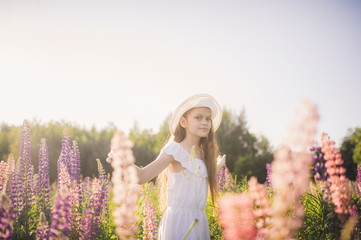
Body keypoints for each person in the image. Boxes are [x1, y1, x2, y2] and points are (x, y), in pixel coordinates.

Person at [108, 93, 226, 240]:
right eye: (198, 117)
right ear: (183, 122)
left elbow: (197, 183)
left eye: (208, 119)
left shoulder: (203, 154)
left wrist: (216, 168)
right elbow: (143, 176)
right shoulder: (174, 150)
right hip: (178, 221)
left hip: (199, 220)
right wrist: (122, 161)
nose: (205, 122)